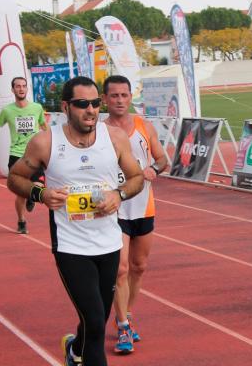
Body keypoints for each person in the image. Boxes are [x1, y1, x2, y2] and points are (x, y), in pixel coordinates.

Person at [7, 76, 144, 366]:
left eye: (95, 103)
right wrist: (41, 193)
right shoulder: (46, 142)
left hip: (108, 243)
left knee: (95, 321)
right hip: (71, 246)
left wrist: (118, 195)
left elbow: (136, 178)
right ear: (66, 106)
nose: (91, 110)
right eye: (82, 104)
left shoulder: (115, 138)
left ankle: (74, 349)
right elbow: (15, 177)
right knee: (95, 321)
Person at [102, 75, 168, 353]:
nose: (119, 100)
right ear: (104, 99)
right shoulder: (100, 131)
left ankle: (125, 315)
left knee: (138, 267)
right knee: (121, 269)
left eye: (124, 95)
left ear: (130, 97)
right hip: (114, 209)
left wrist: (155, 168)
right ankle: (124, 328)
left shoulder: (144, 126)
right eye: (114, 95)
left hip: (143, 206)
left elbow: (163, 158)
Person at [0, 77, 47, 234]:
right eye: (18, 86)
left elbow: (44, 126)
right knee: (20, 193)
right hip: (16, 155)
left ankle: (31, 196)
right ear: (13, 90)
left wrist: (50, 142)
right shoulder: (7, 110)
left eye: (24, 86)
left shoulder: (37, 108)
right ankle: (21, 220)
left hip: (34, 154)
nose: (21, 89)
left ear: (27, 89)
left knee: (39, 186)